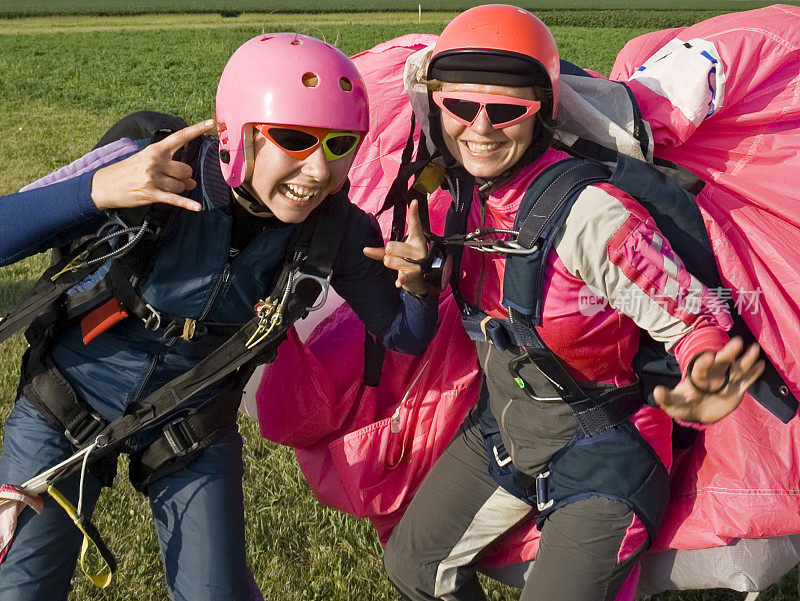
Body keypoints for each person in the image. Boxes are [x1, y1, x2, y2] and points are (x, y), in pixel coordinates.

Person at [0, 33, 437, 601]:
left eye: (339, 146)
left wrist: (423, 286)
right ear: (238, 133)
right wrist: (97, 189)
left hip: (190, 423)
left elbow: (404, 334)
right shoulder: (153, 164)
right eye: (296, 139)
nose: (315, 171)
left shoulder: (337, 227)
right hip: (64, 404)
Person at [379, 6, 765, 601]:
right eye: (460, 107)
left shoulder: (592, 215)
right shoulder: (459, 197)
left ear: (543, 113)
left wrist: (708, 368)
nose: (479, 129)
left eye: (507, 110)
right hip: (506, 431)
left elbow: (699, 317)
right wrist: (427, 280)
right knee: (413, 566)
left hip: (606, 453)